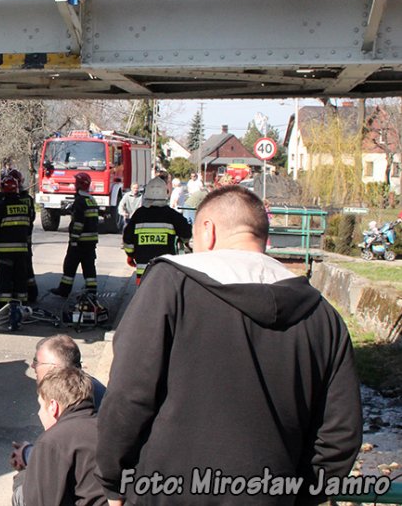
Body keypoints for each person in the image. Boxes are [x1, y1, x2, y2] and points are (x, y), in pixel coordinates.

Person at [96, 185, 363, 506]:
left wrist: (114, 480)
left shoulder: (170, 285)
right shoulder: (323, 316)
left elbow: (128, 395)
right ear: (263, 237)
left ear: (207, 231)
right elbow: (340, 434)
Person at [10, 335, 108, 476]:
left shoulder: (73, 397)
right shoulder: (83, 386)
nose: (33, 366)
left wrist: (27, 456)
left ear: (53, 367)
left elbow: (60, 457)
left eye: (37, 361)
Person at [13, 367, 106, 506]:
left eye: (40, 406)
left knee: (22, 494)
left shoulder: (52, 441)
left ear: (53, 406)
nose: (39, 413)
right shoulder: (107, 428)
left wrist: (23, 477)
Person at [121, 177, 191, 285]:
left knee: (143, 300)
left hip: (143, 273)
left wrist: (130, 255)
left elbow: (128, 239)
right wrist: (183, 241)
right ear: (165, 194)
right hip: (165, 272)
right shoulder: (172, 215)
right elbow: (186, 233)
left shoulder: (138, 215)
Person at [0, 174, 32, 309]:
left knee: (4, 278)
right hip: (22, 251)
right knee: (20, 277)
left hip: (4, 252)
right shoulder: (25, 207)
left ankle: (4, 304)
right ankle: (22, 303)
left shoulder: (0, 208)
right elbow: (28, 228)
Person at [49, 172, 99, 300]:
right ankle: (91, 290)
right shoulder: (91, 200)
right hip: (91, 242)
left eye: (76, 183)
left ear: (79, 185)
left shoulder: (79, 201)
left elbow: (78, 223)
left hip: (80, 241)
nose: (74, 184)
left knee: (70, 265)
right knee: (89, 267)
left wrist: (74, 239)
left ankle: (64, 290)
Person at [6, 168, 39, 303]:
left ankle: (21, 293)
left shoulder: (13, 200)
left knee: (17, 268)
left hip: (16, 239)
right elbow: (32, 217)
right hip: (26, 238)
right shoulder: (28, 199)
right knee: (26, 266)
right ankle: (31, 293)